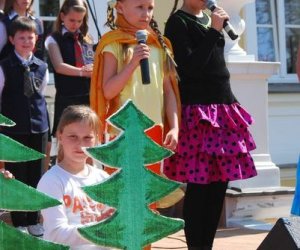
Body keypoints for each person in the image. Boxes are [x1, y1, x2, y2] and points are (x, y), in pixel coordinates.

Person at [163, 1, 258, 249]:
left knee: (219, 185)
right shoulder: (177, 22)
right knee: (200, 186)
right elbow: (190, 67)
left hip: (223, 108)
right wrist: (214, 31)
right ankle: (196, 246)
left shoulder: (209, 18)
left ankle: (207, 244)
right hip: (198, 112)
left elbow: (216, 63)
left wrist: (215, 29)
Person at [90, 0, 181, 174]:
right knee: (123, 194)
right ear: (120, 8)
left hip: (154, 128)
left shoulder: (159, 45)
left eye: (150, 8)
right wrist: (132, 64)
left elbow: (169, 91)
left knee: (148, 193)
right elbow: (108, 91)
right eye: (139, 7)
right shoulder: (113, 43)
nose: (145, 13)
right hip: (122, 130)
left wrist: (175, 127)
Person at [37, 105, 114, 250]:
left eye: (87, 138)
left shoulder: (103, 177)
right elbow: (55, 234)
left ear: (97, 139)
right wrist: (96, 228)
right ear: (60, 136)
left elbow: (116, 224)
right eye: (73, 137)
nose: (80, 144)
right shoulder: (51, 181)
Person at [0, 16, 49, 236]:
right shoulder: (4, 67)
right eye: (21, 37)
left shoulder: (42, 66)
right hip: (14, 129)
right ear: (12, 39)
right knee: (17, 176)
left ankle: (34, 219)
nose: (26, 41)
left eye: (30, 37)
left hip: (38, 127)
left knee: (36, 175)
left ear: (36, 39)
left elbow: (41, 96)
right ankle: (19, 220)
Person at [45, 0, 94, 138]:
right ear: (62, 16)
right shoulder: (53, 38)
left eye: (80, 21)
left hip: (87, 96)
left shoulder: (87, 39)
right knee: (66, 138)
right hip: (67, 98)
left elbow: (91, 60)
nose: (76, 24)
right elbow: (59, 66)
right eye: (72, 20)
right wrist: (82, 72)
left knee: (88, 138)